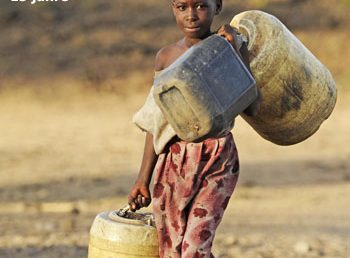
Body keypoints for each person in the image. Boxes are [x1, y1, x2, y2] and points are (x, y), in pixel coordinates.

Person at [128, 0, 261, 257]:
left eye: (201, 6)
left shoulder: (227, 48)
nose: (191, 16)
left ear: (217, 6)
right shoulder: (166, 58)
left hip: (217, 159)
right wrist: (143, 179)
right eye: (182, 7)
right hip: (174, 162)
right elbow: (156, 122)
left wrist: (237, 49)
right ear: (173, 8)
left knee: (194, 248)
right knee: (171, 247)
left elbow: (252, 108)